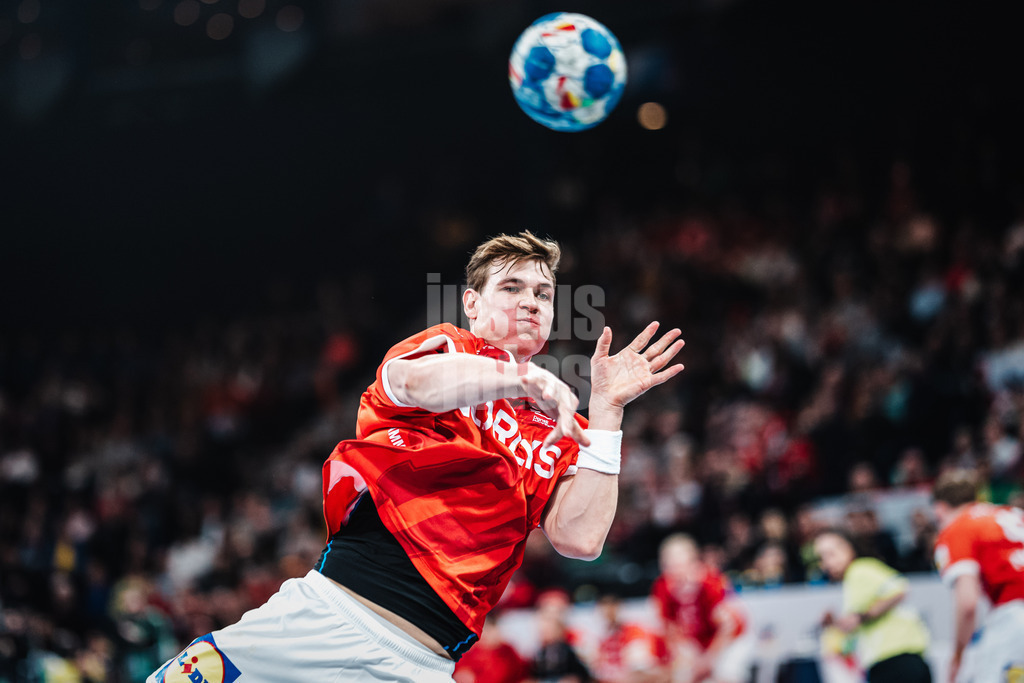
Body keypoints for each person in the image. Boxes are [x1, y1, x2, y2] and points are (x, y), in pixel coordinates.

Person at [148, 231, 685, 682]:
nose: (530, 301)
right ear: (472, 304)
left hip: (422, 663)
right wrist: (518, 375)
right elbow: (411, 381)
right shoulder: (449, 347)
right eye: (512, 287)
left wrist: (609, 411)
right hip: (324, 616)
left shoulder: (565, 427)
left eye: (543, 294)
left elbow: (580, 538)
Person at [931, 469, 1024, 683]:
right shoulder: (1014, 514)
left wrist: (957, 655)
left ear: (940, 508)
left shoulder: (957, 528)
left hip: (1014, 616)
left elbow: (968, 603)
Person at [813, 528, 931, 683]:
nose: (827, 562)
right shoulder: (854, 577)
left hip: (896, 660)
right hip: (891, 662)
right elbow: (853, 622)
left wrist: (864, 615)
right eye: (822, 558)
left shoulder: (859, 569)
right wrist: (834, 622)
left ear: (849, 547)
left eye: (831, 553)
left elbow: (899, 589)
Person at [650, 534, 751, 683]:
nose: (669, 565)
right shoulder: (662, 586)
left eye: (675, 560)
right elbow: (669, 627)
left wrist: (708, 659)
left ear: (691, 560)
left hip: (730, 641)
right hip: (697, 642)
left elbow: (728, 626)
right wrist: (688, 655)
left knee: (725, 675)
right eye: (666, 560)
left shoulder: (710, 582)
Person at [592, 593, 669, 683]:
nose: (608, 612)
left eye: (611, 607)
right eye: (604, 607)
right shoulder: (602, 636)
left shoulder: (633, 632)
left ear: (619, 607)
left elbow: (639, 667)